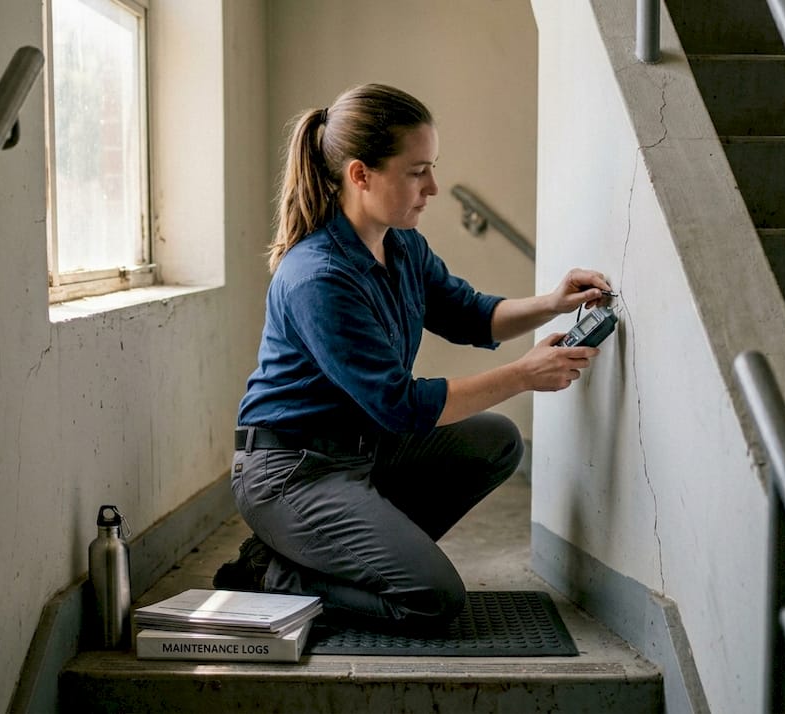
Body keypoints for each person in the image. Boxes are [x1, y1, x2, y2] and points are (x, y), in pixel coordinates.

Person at [214, 83, 613, 630]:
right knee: (430, 598)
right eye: (416, 170)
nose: (434, 186)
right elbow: (400, 405)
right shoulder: (318, 277)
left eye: (433, 167)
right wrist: (524, 374)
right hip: (292, 472)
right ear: (361, 175)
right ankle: (276, 575)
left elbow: (471, 314)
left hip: (363, 454)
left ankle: (354, 556)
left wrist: (553, 302)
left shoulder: (401, 245)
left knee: (495, 440)